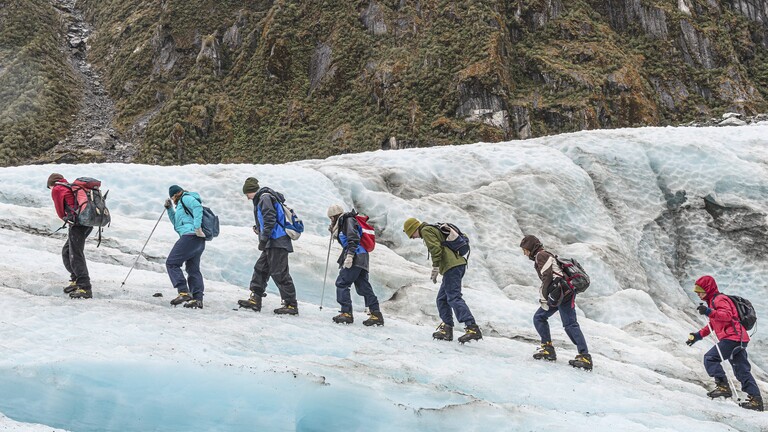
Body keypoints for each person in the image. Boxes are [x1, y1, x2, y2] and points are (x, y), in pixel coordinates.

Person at [686, 275, 763, 411]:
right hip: (739, 339)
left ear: (708, 289)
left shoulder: (719, 299)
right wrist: (697, 336)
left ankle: (723, 386)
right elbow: (713, 324)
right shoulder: (713, 302)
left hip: (732, 338)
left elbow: (727, 316)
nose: (697, 293)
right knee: (742, 370)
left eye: (700, 290)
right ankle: (756, 400)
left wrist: (709, 311)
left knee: (710, 358)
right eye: (696, 290)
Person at [403, 217, 481, 343]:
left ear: (414, 228)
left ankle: (472, 328)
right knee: (442, 299)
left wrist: (435, 267)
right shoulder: (431, 229)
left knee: (454, 297)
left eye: (411, 234)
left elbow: (435, 249)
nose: (412, 238)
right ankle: (447, 329)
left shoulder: (426, 230)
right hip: (454, 266)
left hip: (452, 266)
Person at [519, 235, 592, 370]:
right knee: (568, 324)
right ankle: (581, 355)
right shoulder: (544, 255)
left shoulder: (541, 255)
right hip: (564, 292)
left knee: (541, 318)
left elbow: (547, 277)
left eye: (525, 250)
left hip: (560, 294)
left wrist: (544, 297)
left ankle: (551, 350)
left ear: (530, 247)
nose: (524, 253)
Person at [237, 177, 299, 315]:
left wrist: (263, 239)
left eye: (247, 194)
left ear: (251, 191)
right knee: (261, 269)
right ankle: (255, 299)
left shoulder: (264, 198)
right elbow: (268, 220)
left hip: (277, 241)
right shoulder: (263, 198)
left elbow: (270, 218)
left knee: (280, 272)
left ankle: (291, 305)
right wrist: (260, 231)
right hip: (272, 241)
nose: (247, 198)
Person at [327, 205, 383, 326]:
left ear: (334, 216)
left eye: (331, 218)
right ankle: (376, 314)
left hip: (356, 256)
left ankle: (346, 313)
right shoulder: (346, 221)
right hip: (361, 257)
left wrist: (350, 256)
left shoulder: (347, 220)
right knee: (363, 286)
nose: (331, 221)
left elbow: (353, 238)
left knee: (342, 283)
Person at [48, 173, 93, 299]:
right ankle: (75, 280)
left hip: (78, 224)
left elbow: (60, 210)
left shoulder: (57, 189)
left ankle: (85, 287)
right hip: (86, 222)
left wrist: (65, 218)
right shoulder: (69, 186)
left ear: (51, 184)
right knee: (68, 251)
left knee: (75, 254)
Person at [164, 185, 206, 309]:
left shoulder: (186, 198)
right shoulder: (181, 205)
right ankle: (197, 299)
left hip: (191, 236)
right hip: (197, 239)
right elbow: (177, 224)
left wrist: (197, 227)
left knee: (171, 263)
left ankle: (183, 291)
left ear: (174, 195)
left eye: (172, 198)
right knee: (193, 269)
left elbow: (198, 207)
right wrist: (169, 209)